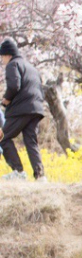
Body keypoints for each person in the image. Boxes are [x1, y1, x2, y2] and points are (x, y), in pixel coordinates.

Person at [1, 37, 45, 181]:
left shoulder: (13, 64)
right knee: (31, 141)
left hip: (21, 109)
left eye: (2, 57)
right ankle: (40, 176)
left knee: (3, 137)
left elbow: (14, 85)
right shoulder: (31, 67)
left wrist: (6, 99)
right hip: (36, 109)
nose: (2, 61)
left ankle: (18, 172)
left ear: (8, 55)